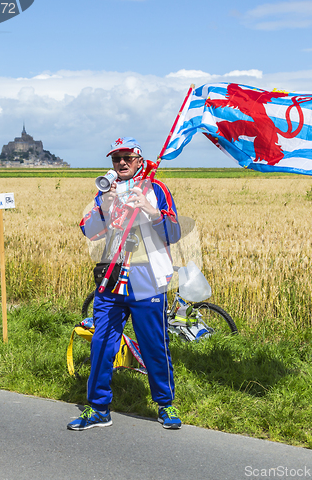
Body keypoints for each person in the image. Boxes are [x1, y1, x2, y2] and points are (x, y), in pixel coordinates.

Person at [67, 137, 182, 430]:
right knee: (102, 343)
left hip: (147, 276)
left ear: (139, 160)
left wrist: (149, 209)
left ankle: (165, 405)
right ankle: (98, 408)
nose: (121, 163)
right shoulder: (105, 192)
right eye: (116, 158)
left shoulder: (156, 189)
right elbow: (90, 232)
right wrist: (105, 205)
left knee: (154, 344)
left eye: (127, 158)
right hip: (112, 276)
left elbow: (174, 232)